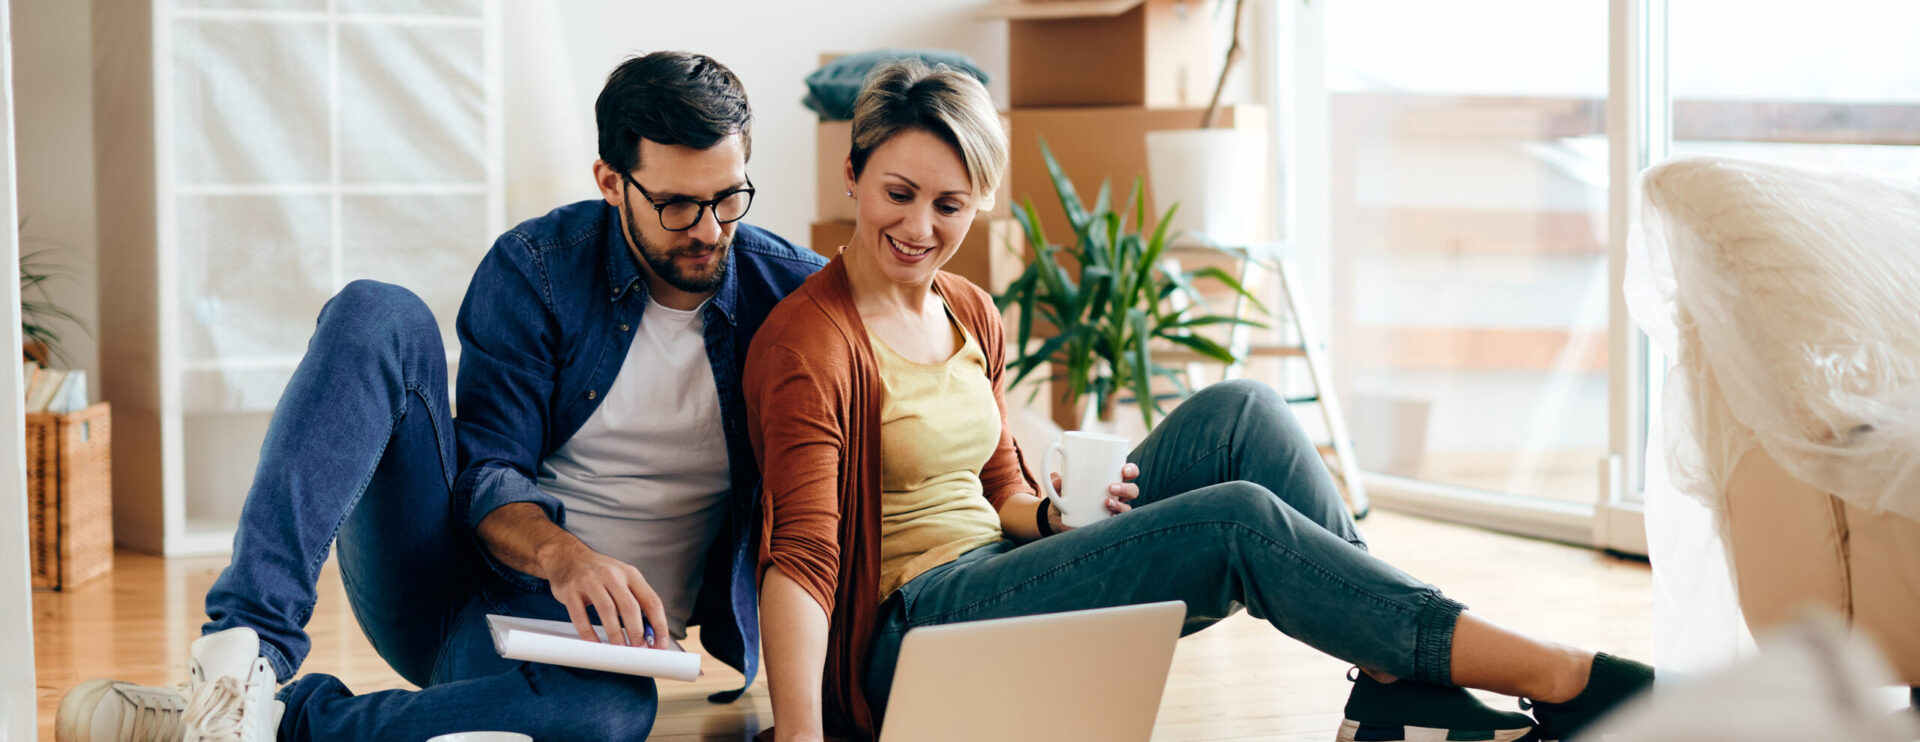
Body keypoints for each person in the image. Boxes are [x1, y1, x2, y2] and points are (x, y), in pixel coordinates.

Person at [742, 59, 1653, 742]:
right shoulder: (811, 342)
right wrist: (801, 736)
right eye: (898, 194)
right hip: (916, 628)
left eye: (951, 205)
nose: (921, 228)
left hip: (996, 566)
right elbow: (803, 563)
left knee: (1245, 413)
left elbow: (998, 486)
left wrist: (1055, 520)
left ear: (979, 202)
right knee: (1233, 524)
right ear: (852, 175)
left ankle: (1392, 679)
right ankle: (1566, 678)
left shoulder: (969, 307)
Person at [56, 51, 826, 742]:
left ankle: (270, 723)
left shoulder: (791, 293)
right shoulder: (540, 269)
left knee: (606, 716)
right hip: (460, 592)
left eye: (729, 199)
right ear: (609, 183)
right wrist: (566, 557)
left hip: (594, 656)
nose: (709, 230)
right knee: (376, 312)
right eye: (676, 206)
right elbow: (488, 473)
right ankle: (241, 656)